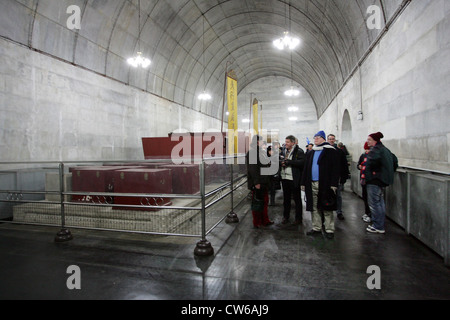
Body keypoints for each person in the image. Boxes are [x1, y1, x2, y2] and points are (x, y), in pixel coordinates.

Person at [301, 131, 340, 239]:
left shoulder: (330, 151)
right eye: (314, 138)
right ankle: (316, 228)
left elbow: (335, 169)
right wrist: (303, 182)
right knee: (314, 206)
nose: (315, 139)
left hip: (325, 184)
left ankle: (329, 229)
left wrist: (334, 183)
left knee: (327, 206)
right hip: (312, 183)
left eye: (317, 137)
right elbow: (306, 168)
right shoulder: (311, 152)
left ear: (323, 138)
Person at [365, 132, 398, 234]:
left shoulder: (376, 150)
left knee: (374, 204)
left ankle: (378, 226)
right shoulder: (386, 150)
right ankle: (380, 224)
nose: (367, 141)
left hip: (375, 180)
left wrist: (371, 175)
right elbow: (395, 161)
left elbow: (371, 164)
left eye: (369, 139)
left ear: (375, 140)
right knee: (380, 203)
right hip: (382, 180)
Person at [246, 135, 274, 228]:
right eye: (262, 141)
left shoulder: (259, 151)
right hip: (259, 182)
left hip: (264, 181)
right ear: (257, 142)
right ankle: (257, 222)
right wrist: (256, 182)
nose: (263, 143)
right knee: (258, 202)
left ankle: (264, 220)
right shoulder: (252, 153)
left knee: (264, 201)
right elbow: (253, 169)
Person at [280, 135, 306, 224]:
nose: (285, 144)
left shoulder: (299, 151)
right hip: (285, 178)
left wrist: (289, 162)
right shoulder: (284, 151)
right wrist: (282, 163)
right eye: (285, 142)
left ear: (293, 143)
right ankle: (285, 217)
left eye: (287, 142)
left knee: (297, 199)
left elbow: (302, 163)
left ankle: (298, 218)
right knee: (286, 199)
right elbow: (279, 159)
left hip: (294, 178)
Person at [327, 134, 350, 220]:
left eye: (332, 139)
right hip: (327, 177)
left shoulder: (339, 151)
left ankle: (339, 211)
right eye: (329, 139)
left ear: (335, 140)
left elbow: (344, 165)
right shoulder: (325, 151)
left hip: (337, 177)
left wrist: (344, 176)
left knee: (338, 195)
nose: (331, 141)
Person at [358, 142, 372, 223]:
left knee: (372, 199)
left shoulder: (373, 156)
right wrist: (359, 166)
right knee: (365, 197)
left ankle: (371, 215)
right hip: (363, 180)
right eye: (366, 149)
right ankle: (367, 213)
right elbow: (359, 164)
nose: (367, 151)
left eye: (368, 149)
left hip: (370, 180)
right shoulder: (363, 156)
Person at [267, 142, 282, 206]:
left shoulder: (276, 157)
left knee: (272, 189)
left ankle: (272, 201)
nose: (270, 152)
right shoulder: (266, 157)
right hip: (268, 175)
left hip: (273, 175)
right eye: (269, 151)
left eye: (271, 151)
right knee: (269, 188)